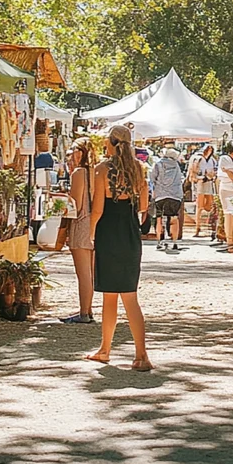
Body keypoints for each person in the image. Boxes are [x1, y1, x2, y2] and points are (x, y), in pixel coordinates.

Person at [86, 124, 152, 371]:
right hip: (129, 230)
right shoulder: (139, 169)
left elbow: (98, 209)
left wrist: (91, 233)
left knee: (109, 295)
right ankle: (140, 354)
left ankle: (105, 349)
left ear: (111, 142)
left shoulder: (101, 170)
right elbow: (144, 205)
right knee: (130, 296)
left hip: (108, 231)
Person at [61, 138, 96, 324]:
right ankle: (87, 310)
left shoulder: (78, 173)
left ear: (80, 153)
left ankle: (83, 312)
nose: (69, 156)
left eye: (72, 151)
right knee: (89, 272)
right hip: (95, 224)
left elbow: (73, 204)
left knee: (83, 273)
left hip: (81, 224)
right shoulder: (96, 172)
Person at [150, 147, 184, 252]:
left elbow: (152, 178)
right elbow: (180, 179)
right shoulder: (176, 166)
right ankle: (174, 242)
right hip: (175, 196)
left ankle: (160, 242)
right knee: (174, 218)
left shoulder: (158, 164)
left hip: (161, 195)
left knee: (159, 219)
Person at [216, 143, 233, 249]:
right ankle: (229, 239)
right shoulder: (224, 158)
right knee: (228, 213)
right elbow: (224, 173)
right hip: (227, 188)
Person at [188, 144, 217, 238]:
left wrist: (210, 176)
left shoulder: (212, 160)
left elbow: (214, 171)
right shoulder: (198, 159)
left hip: (209, 183)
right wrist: (200, 178)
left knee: (210, 206)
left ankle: (211, 227)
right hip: (200, 184)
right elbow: (193, 173)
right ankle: (198, 227)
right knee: (199, 207)